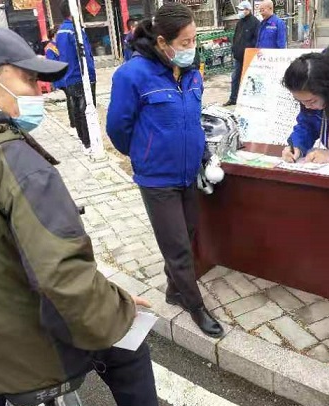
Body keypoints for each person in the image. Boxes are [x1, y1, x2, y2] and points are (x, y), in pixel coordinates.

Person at [0, 27, 161, 406]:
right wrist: (120, 305)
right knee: (130, 344)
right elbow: (64, 280)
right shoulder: (16, 162)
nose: (39, 91)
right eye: (27, 79)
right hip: (31, 349)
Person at [106, 3, 224, 338]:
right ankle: (195, 306)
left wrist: (202, 155)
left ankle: (174, 290)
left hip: (188, 172)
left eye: (194, 39)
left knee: (188, 233)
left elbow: (193, 120)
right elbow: (117, 128)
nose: (192, 47)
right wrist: (144, 154)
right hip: (157, 178)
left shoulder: (191, 73)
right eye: (185, 42)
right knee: (178, 247)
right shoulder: (132, 75)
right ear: (162, 42)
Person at [56, 0, 97, 155]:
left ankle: (84, 143)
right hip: (81, 75)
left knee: (78, 111)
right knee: (87, 109)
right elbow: (84, 54)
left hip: (69, 76)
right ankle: (90, 143)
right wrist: (91, 75)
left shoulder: (61, 31)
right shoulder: (75, 31)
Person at [224, 0, 260, 107]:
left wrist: (249, 49)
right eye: (239, 9)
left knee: (250, 78)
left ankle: (250, 100)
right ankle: (233, 98)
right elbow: (236, 37)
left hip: (249, 56)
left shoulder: (255, 23)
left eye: (241, 9)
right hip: (238, 56)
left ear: (247, 10)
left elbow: (256, 40)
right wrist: (234, 48)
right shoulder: (240, 22)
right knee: (235, 78)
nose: (239, 11)